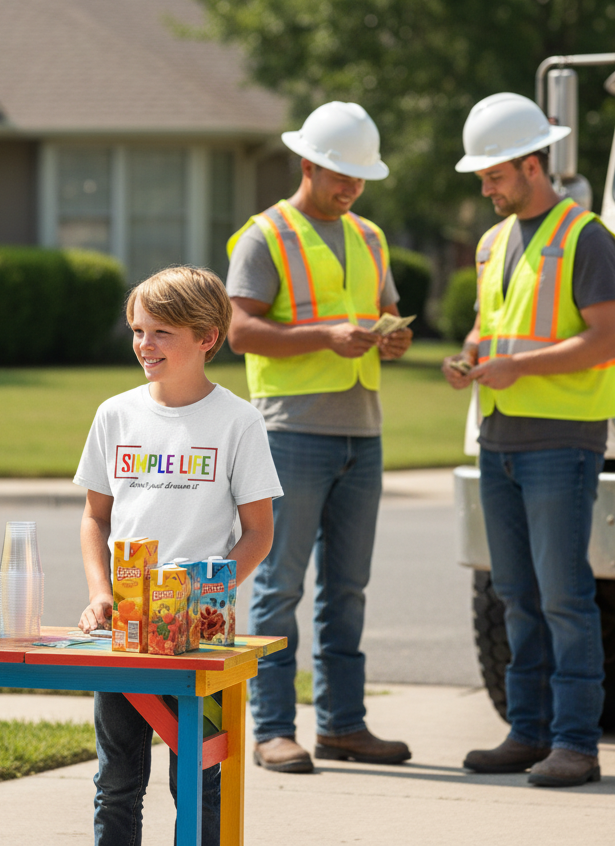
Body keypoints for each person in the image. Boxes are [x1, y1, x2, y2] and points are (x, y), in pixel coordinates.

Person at [443, 92, 615, 788]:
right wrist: (470, 355)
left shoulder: (586, 237)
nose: (484, 188)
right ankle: (528, 732)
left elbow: (607, 337)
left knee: (563, 596)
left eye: (492, 175)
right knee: (515, 594)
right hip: (500, 439)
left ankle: (576, 743)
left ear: (530, 164)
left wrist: (518, 365)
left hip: (562, 443)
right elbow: (493, 327)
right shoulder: (493, 243)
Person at [225, 101, 414, 774]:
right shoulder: (264, 236)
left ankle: (343, 727)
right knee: (279, 587)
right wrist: (324, 337)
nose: (352, 189)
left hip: (362, 433)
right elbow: (239, 329)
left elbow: (384, 308)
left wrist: (393, 334)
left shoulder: (369, 237)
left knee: (348, 588)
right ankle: (273, 728)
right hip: (291, 434)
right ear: (308, 164)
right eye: (342, 176)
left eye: (361, 179)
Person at [75, 265, 281, 846]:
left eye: (161, 332)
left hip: (202, 634)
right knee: (116, 781)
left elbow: (258, 534)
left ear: (206, 338)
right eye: (138, 330)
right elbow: (96, 518)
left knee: (199, 778)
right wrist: (100, 594)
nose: (144, 344)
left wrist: (204, 597)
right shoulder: (115, 414)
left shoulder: (238, 421)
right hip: (125, 630)